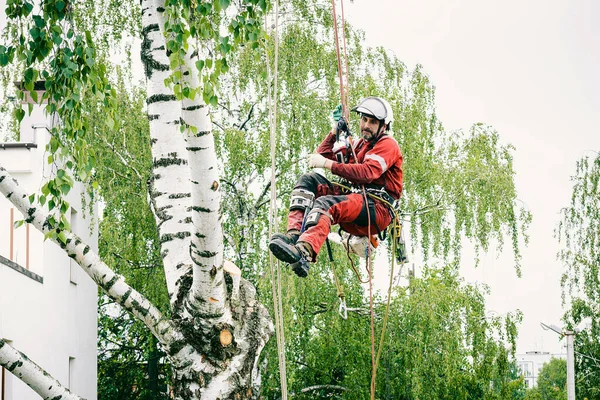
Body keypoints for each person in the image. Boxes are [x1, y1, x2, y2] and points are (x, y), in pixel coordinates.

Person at [269, 97, 403, 277]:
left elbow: (367, 172)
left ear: (384, 126)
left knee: (327, 204)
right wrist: (334, 131)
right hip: (356, 200)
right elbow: (323, 153)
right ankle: (295, 235)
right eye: (364, 119)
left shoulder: (388, 144)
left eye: (372, 122)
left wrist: (327, 164)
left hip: (376, 208)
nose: (366, 125)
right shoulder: (359, 145)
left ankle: (304, 252)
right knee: (309, 181)